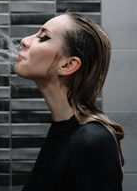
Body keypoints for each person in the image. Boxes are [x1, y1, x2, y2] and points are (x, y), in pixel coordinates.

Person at [14, 11, 124, 191]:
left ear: (68, 65)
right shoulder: (63, 131)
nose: (25, 41)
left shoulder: (92, 141)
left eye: (43, 37)